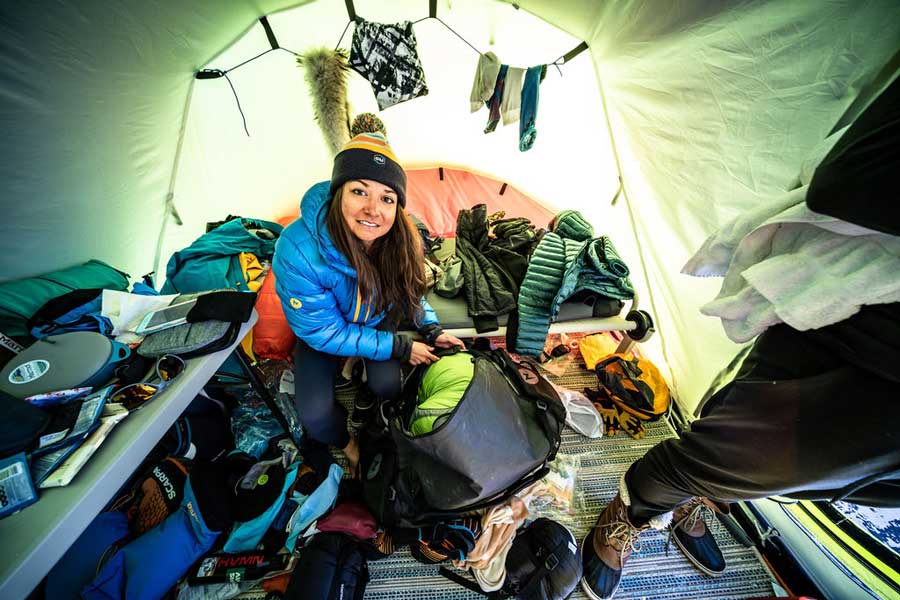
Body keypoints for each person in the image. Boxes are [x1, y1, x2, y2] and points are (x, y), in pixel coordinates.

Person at [579, 75, 900, 600]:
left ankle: (692, 499)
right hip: (869, 332)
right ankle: (633, 504)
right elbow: (844, 182)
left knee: (801, 476)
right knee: (737, 447)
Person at [272, 114, 463, 472]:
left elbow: (411, 291)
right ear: (337, 192)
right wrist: (400, 347)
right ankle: (349, 444)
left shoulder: (400, 236)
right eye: (359, 191)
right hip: (323, 334)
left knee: (388, 386)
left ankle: (361, 373)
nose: (373, 210)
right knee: (314, 415)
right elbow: (323, 331)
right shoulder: (297, 250)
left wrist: (432, 330)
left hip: (375, 322)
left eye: (387, 198)